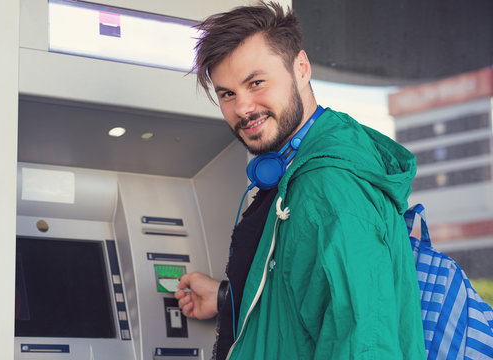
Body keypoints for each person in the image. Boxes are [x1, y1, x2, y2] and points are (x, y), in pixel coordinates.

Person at [174, 2, 426, 359]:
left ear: (301, 68)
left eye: (256, 83)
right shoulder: (300, 169)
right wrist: (224, 297)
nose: (243, 107)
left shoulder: (328, 188)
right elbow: (302, 298)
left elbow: (364, 344)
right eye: (227, 93)